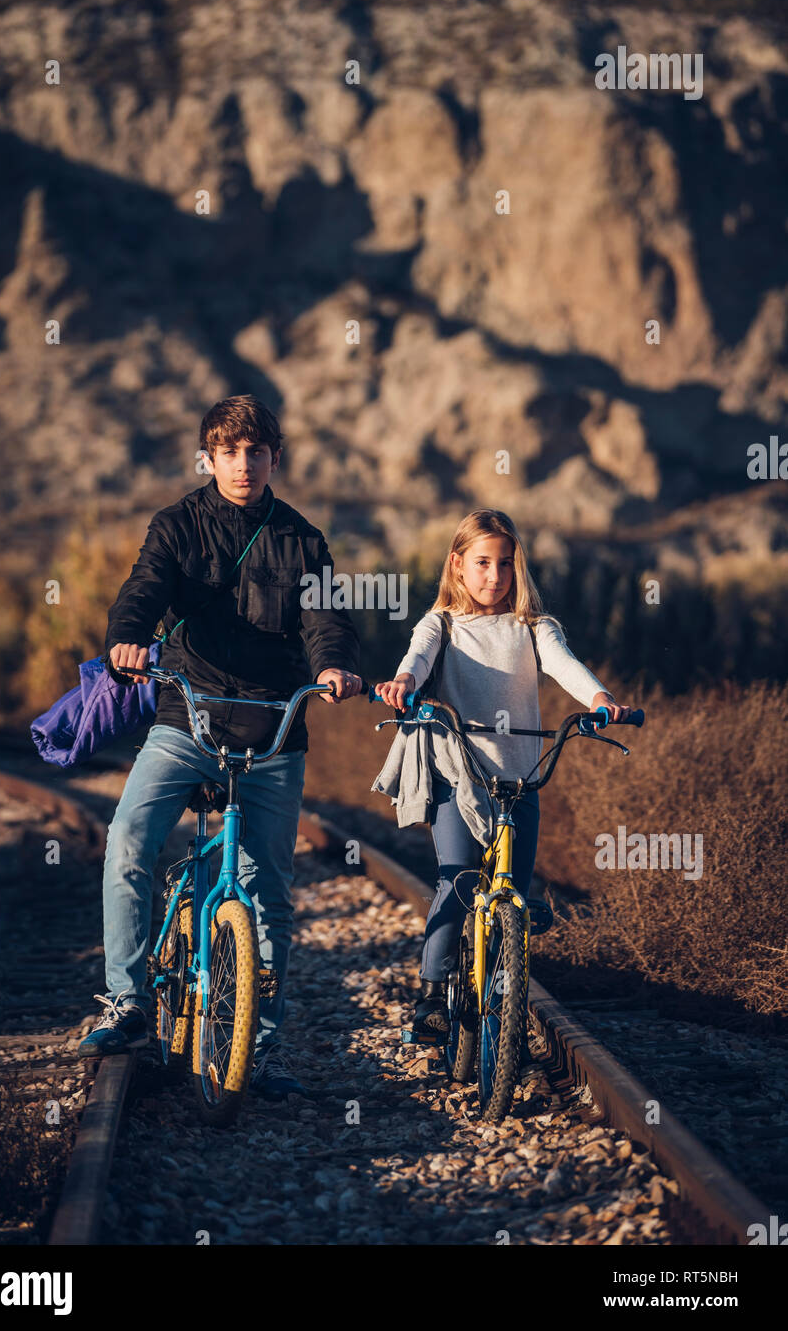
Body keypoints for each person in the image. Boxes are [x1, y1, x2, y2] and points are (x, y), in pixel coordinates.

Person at [77, 395, 362, 1103]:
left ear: (274, 456)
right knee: (129, 844)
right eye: (229, 451)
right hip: (188, 719)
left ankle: (255, 1051)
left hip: (272, 729)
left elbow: (324, 617)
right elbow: (142, 591)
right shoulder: (176, 525)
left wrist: (330, 666)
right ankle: (126, 1002)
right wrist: (129, 638)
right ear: (210, 456)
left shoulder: (303, 539)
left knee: (269, 895)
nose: (243, 464)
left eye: (256, 450)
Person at [372, 508, 631, 1072]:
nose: (494, 576)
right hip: (458, 778)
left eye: (505, 564)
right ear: (457, 565)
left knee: (515, 889)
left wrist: (600, 701)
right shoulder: (440, 624)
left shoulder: (535, 626)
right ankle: (435, 992)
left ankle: (503, 995)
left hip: (518, 780)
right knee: (459, 880)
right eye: (482, 563)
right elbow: (414, 660)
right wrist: (402, 683)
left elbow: (566, 665)